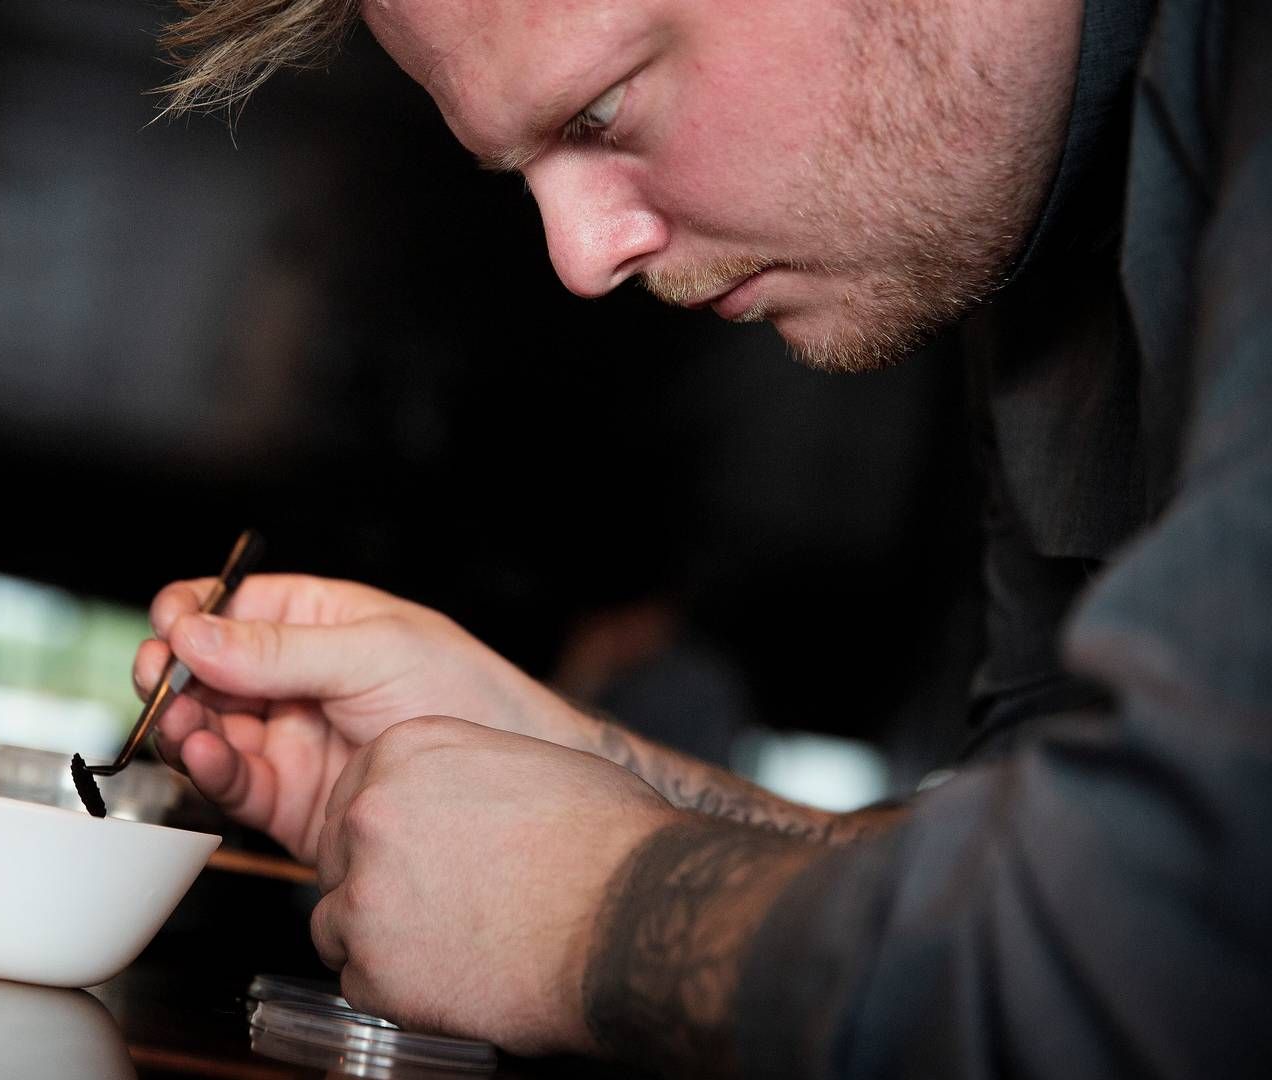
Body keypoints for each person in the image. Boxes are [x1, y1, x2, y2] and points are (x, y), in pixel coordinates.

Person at [135, 0, 1271, 1075]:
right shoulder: (1045, 243)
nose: (580, 258)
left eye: (600, 110)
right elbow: (1028, 878)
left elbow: (1173, 960)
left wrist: (590, 913)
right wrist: (582, 775)